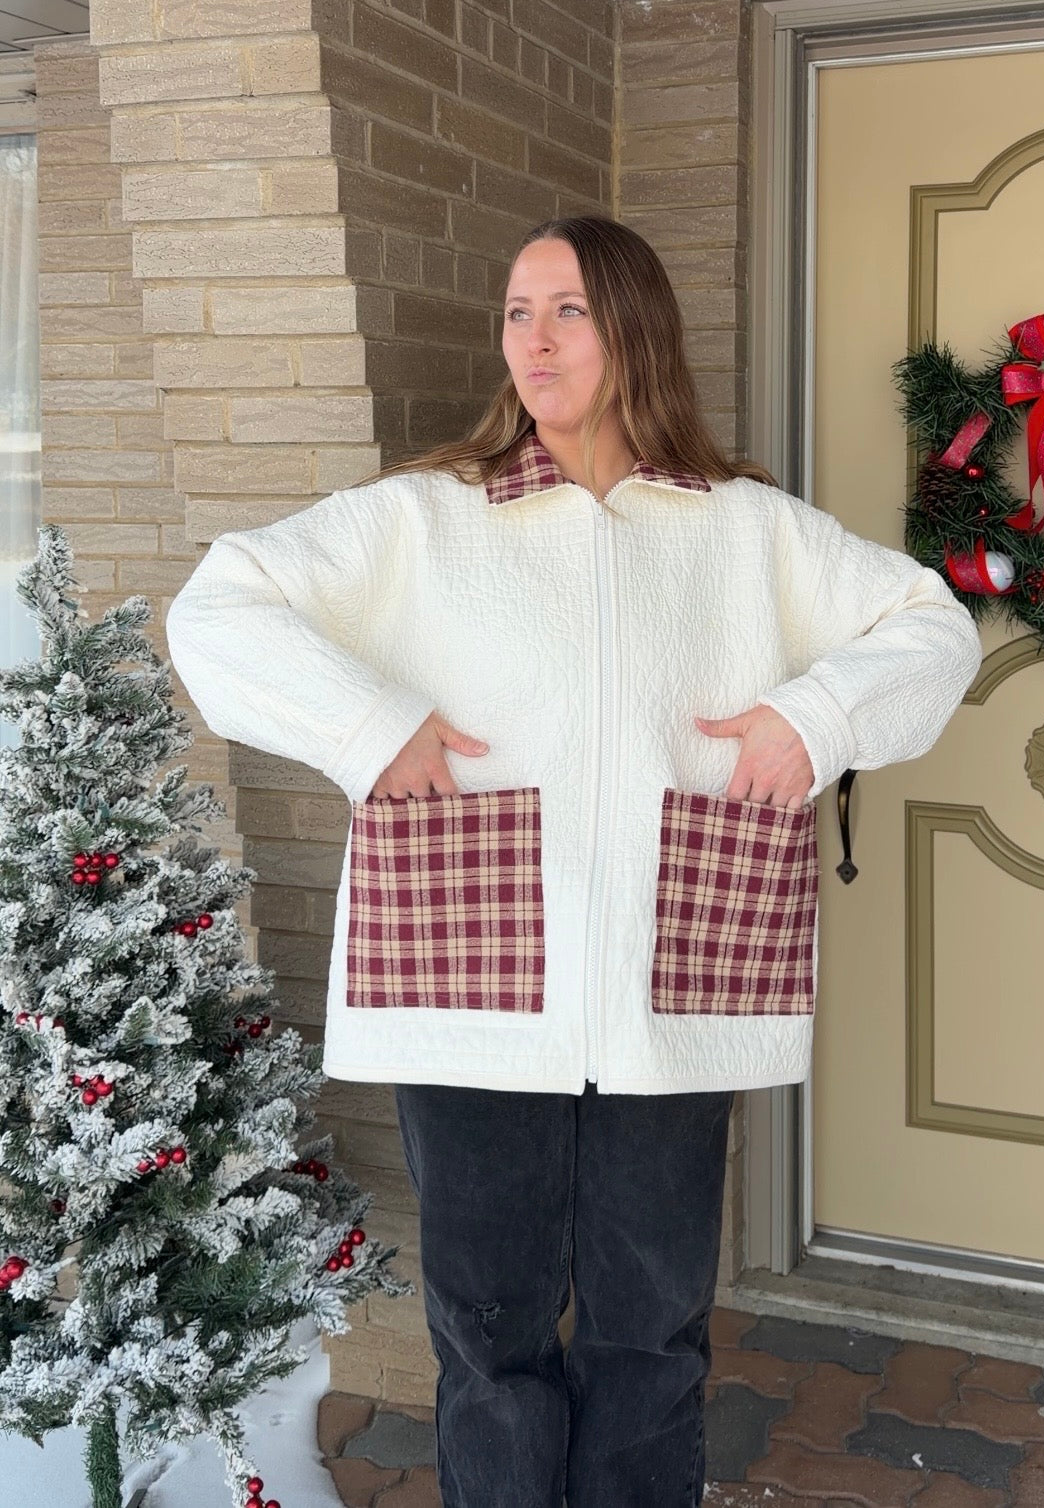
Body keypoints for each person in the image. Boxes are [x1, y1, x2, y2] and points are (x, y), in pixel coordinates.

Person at [165, 214, 982, 1508]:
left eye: (567, 311)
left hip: (675, 985)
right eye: (516, 312)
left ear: (635, 328)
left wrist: (814, 719)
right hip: (468, 983)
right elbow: (218, 605)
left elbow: (931, 627)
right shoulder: (427, 519)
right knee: (488, 1336)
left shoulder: (745, 531)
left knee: (650, 1335)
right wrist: (368, 727)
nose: (532, 342)